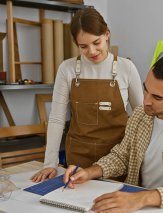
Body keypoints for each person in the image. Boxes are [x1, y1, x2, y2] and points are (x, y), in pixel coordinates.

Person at [63, 54, 163, 212]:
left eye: (157, 97)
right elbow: (122, 156)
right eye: (146, 89)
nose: (146, 101)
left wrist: (140, 199)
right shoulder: (140, 115)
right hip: (137, 202)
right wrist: (89, 172)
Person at [32, 8, 143, 182]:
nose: (91, 51)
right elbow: (56, 119)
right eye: (83, 46)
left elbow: (142, 116)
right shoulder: (66, 69)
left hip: (117, 159)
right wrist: (50, 163)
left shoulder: (126, 68)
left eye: (96, 42)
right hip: (78, 159)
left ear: (106, 34)